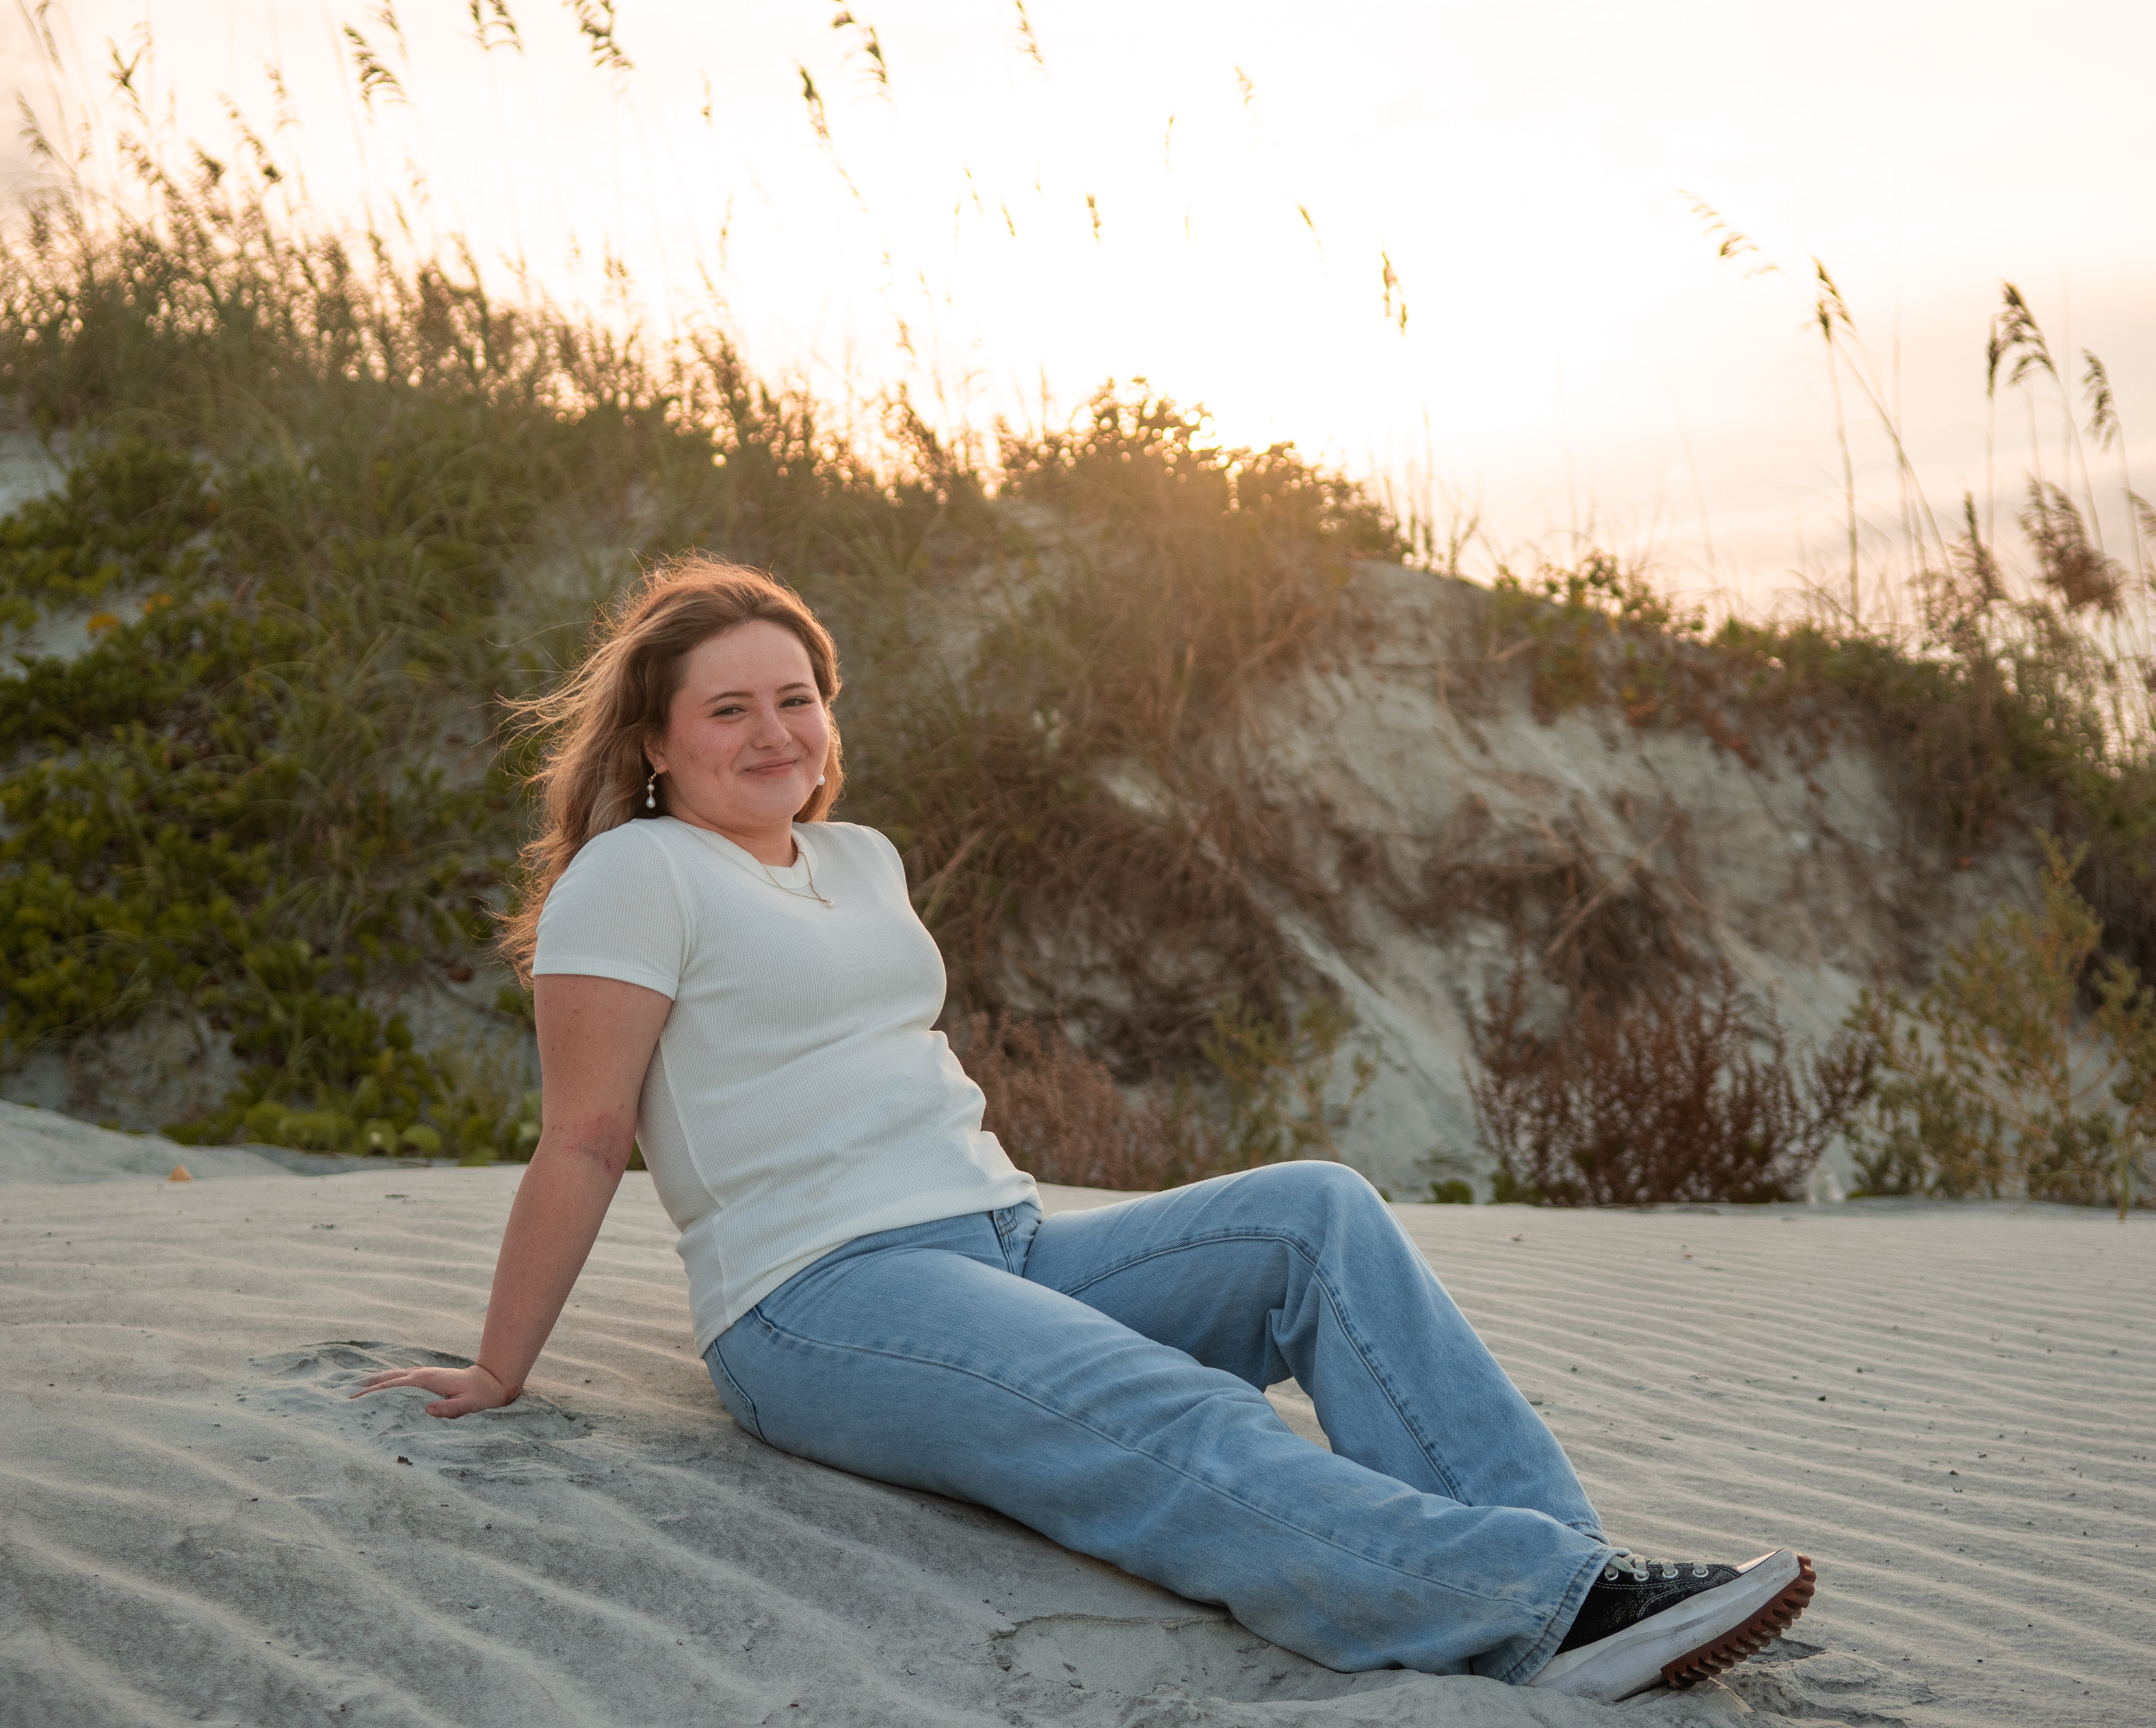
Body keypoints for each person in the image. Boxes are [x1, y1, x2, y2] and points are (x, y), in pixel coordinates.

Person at [355, 558, 1815, 1702]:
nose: (774, 730)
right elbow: (588, 1135)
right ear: (660, 742)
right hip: (823, 1295)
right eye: (728, 707)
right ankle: (1532, 1615)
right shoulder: (637, 874)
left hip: (1011, 1238)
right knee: (1165, 1412)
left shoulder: (860, 856)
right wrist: (500, 1364)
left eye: (796, 695)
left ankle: (1585, 1572)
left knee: (1315, 1210)